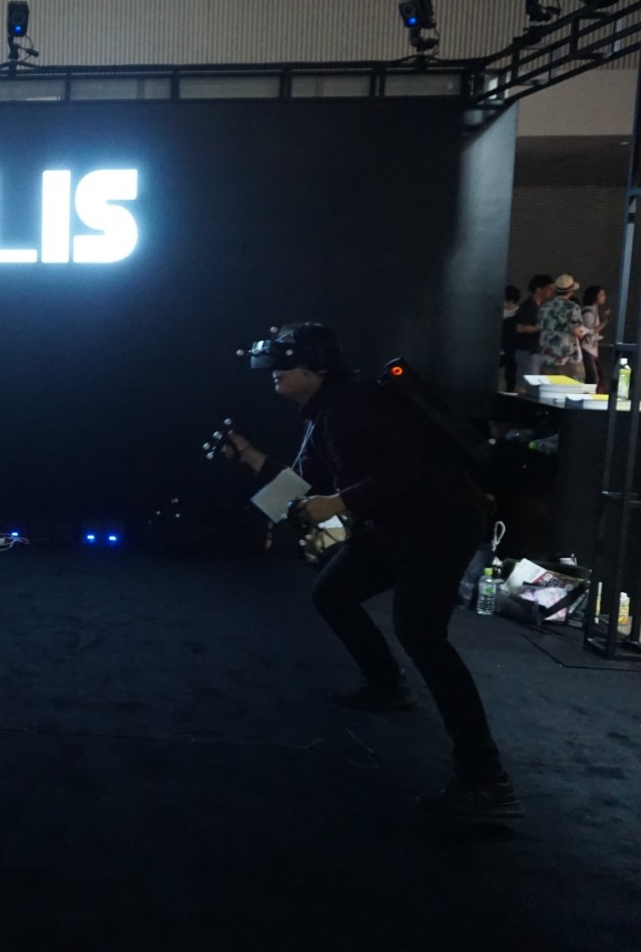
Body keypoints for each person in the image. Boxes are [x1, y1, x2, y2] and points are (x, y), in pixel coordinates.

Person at [218, 324, 519, 818]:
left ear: (317, 368)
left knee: (421, 634)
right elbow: (302, 484)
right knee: (333, 593)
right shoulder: (323, 413)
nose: (274, 372)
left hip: (443, 520)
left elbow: (411, 471)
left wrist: (339, 501)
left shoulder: (356, 405)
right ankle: (386, 684)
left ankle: (486, 779)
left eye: (286, 362)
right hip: (395, 522)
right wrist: (249, 458)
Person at [537, 273, 587, 382]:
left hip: (548, 358)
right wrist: (583, 334)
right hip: (568, 359)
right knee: (573, 389)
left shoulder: (544, 307)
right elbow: (575, 331)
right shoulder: (572, 307)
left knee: (549, 390)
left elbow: (540, 327)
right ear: (571, 291)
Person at [512, 274, 552, 381]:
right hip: (527, 351)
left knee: (532, 382)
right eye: (548, 288)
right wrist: (540, 328)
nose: (551, 291)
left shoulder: (539, 306)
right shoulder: (528, 306)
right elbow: (519, 327)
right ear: (538, 289)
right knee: (527, 383)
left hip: (534, 350)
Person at [580, 285, 606, 391]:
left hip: (591, 349)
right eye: (601, 294)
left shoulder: (593, 312)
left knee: (594, 377)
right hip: (587, 349)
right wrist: (605, 321)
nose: (604, 297)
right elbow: (589, 331)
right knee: (593, 378)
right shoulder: (588, 313)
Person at [500, 285, 520, 393]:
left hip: (511, 348)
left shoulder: (519, 313)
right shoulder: (500, 312)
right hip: (500, 348)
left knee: (511, 375)